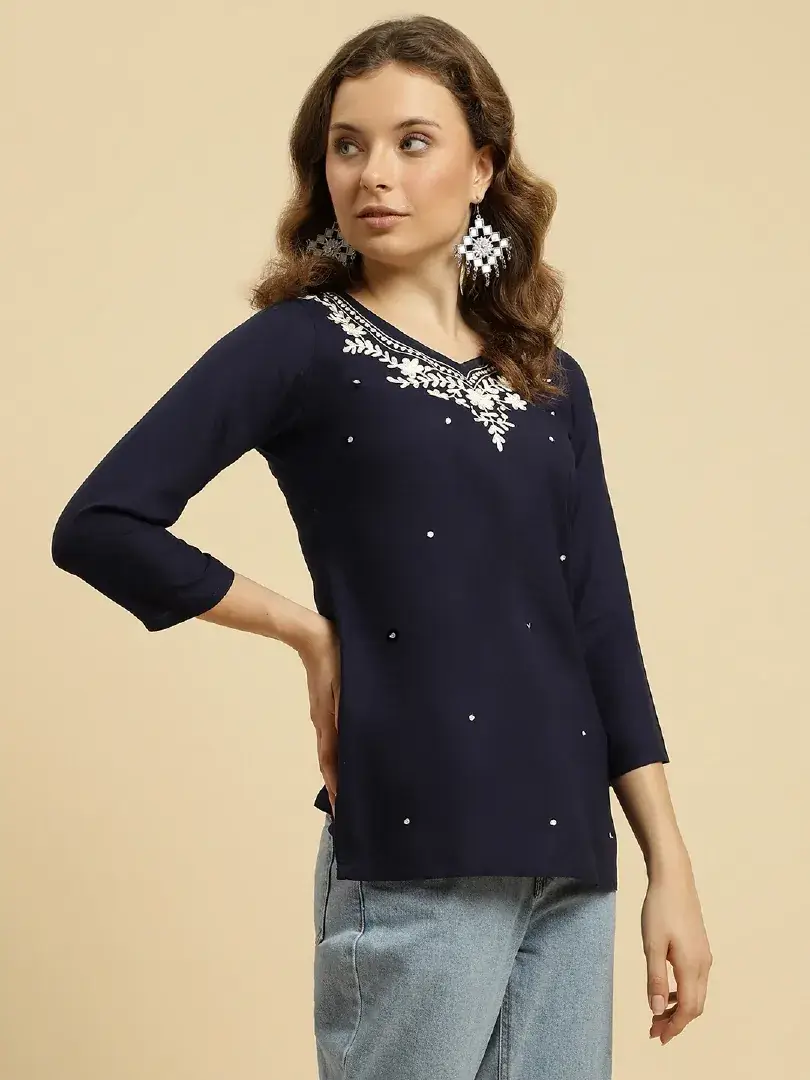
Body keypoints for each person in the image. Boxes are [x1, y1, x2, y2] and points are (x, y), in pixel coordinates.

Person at [50, 14, 712, 1079]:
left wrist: (667, 865)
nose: (375, 174)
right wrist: (309, 633)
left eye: (413, 142)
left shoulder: (551, 382)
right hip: (416, 846)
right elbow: (100, 523)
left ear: (482, 167)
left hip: (571, 862)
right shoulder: (301, 347)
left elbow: (599, 624)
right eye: (347, 146)